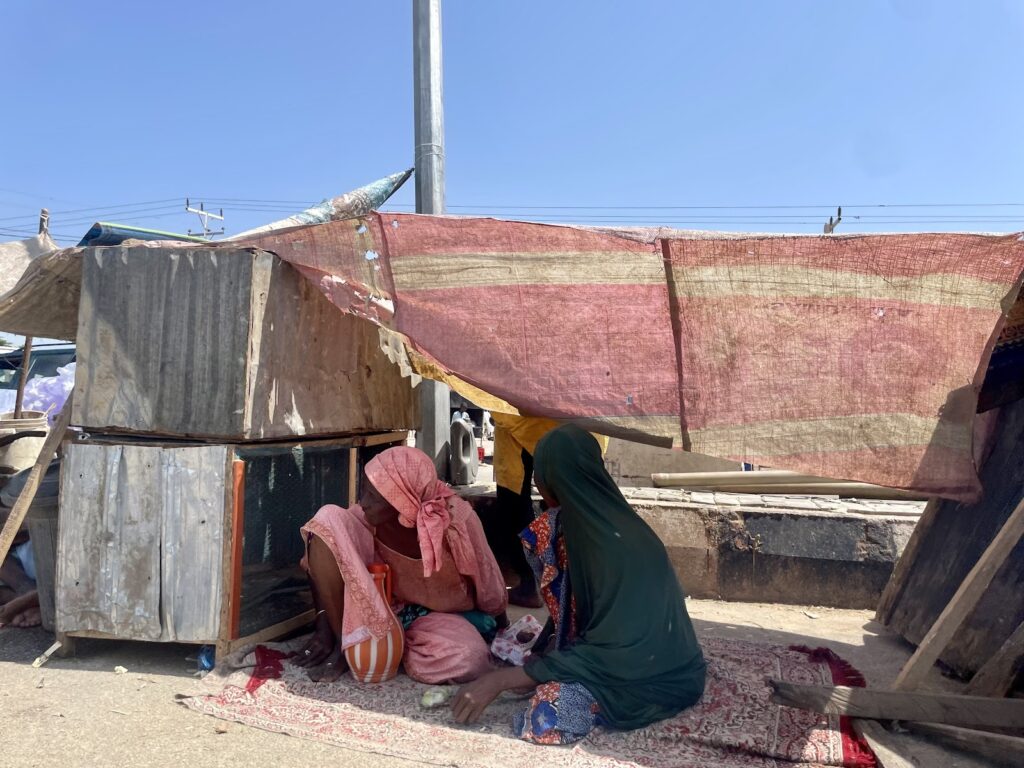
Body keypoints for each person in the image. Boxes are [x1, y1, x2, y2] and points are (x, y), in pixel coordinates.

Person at [451, 425, 706, 745]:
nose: (538, 486)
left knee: (547, 714)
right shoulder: (584, 524)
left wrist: (502, 680)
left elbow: (613, 654)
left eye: (540, 477)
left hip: (649, 679)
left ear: (554, 480)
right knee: (543, 532)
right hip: (628, 655)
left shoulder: (608, 547)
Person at [296, 446, 509, 684]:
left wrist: (501, 629)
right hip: (381, 610)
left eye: (373, 497)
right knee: (326, 519)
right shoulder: (365, 519)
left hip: (437, 618)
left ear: (402, 502)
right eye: (364, 492)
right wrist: (325, 629)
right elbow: (321, 554)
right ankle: (347, 646)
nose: (363, 503)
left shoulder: (455, 520)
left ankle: (387, 647)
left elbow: (487, 577)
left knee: (469, 658)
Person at [490, 414, 608, 607]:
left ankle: (530, 584)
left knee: (514, 501)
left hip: (527, 419)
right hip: (571, 424)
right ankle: (569, 587)